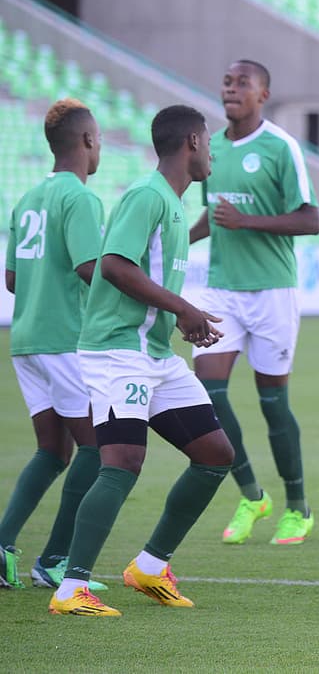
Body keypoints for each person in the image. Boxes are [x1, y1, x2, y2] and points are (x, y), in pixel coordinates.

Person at [50, 105, 234, 616]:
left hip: (154, 353)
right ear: (192, 142)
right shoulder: (147, 195)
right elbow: (112, 265)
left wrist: (179, 318)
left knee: (216, 454)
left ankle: (150, 566)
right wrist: (183, 308)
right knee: (123, 463)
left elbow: (144, 282)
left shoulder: (172, 203)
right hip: (117, 351)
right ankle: (70, 588)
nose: (212, 154)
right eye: (209, 144)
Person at [190, 60, 319, 547]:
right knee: (209, 393)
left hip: (271, 291)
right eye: (226, 81)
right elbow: (214, 215)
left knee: (273, 404)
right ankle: (251, 495)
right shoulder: (212, 147)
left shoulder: (280, 147)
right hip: (221, 289)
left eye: (242, 83)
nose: (231, 88)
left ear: (263, 94)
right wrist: (175, 241)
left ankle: (298, 508)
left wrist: (247, 222)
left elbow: (310, 219)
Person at [1, 100, 105, 592]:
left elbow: (11, 279)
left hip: (25, 340)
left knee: (53, 450)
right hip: (64, 340)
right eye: (98, 139)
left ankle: (2, 546)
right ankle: (56, 559)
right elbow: (91, 270)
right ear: (87, 141)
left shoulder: (27, 198)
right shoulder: (80, 198)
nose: (100, 147)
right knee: (99, 447)